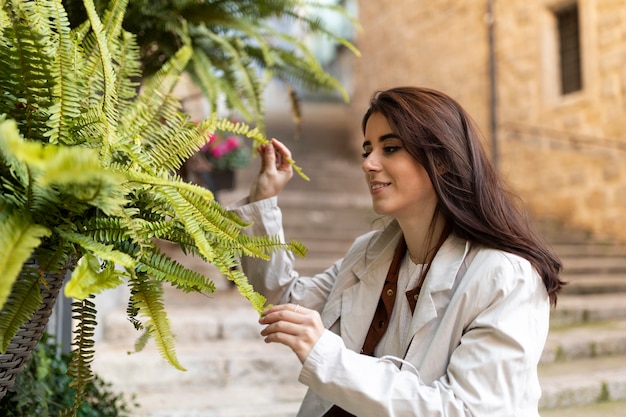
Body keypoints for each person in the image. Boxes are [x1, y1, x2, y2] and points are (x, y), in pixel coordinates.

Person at [228, 86, 564, 417]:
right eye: (367, 150)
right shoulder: (369, 252)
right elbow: (285, 301)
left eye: (390, 148)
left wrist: (329, 358)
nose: (368, 164)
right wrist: (262, 202)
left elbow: (465, 410)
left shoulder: (506, 277)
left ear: (442, 160)